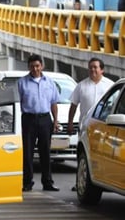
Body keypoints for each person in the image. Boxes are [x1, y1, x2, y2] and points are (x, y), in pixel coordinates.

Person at [67, 57, 114, 191]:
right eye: (91, 67)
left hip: (104, 128)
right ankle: (80, 182)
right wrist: (71, 123)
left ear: (102, 70)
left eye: (95, 67)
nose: (93, 70)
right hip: (86, 127)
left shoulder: (109, 85)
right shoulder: (81, 86)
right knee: (83, 156)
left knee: (102, 155)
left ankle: (102, 180)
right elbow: (73, 105)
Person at [18, 54, 60, 192]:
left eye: (37, 66)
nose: (35, 69)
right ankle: (27, 182)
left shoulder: (49, 82)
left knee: (45, 152)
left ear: (42, 66)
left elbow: (53, 103)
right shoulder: (22, 83)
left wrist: (55, 120)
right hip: (29, 119)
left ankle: (47, 182)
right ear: (28, 67)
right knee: (28, 152)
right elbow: (18, 103)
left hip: (45, 119)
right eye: (32, 66)